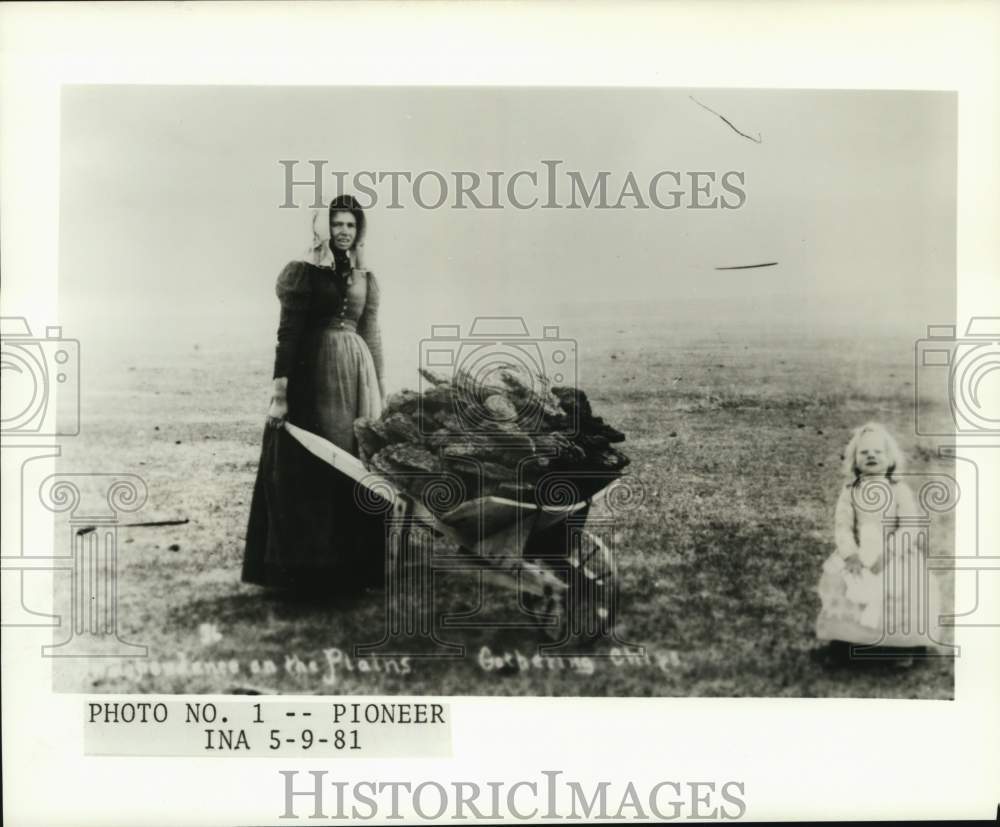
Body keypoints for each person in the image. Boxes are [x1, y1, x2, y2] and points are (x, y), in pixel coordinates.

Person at [242, 195, 387, 592]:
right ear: (323, 227)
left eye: (351, 225)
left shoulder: (365, 276)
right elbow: (287, 334)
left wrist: (379, 383)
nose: (344, 232)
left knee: (357, 459)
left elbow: (370, 332)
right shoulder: (303, 272)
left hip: (357, 374)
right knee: (319, 459)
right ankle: (311, 569)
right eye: (337, 224)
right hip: (316, 373)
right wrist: (280, 393)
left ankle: (353, 566)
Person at [814, 422, 947, 663]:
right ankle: (848, 641)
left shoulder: (899, 490)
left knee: (902, 592)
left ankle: (902, 646)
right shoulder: (850, 491)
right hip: (859, 555)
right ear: (854, 460)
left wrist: (890, 553)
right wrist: (850, 555)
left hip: (894, 555)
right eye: (864, 453)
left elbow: (910, 526)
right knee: (846, 588)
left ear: (890, 459)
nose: (872, 456)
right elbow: (842, 526)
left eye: (878, 452)